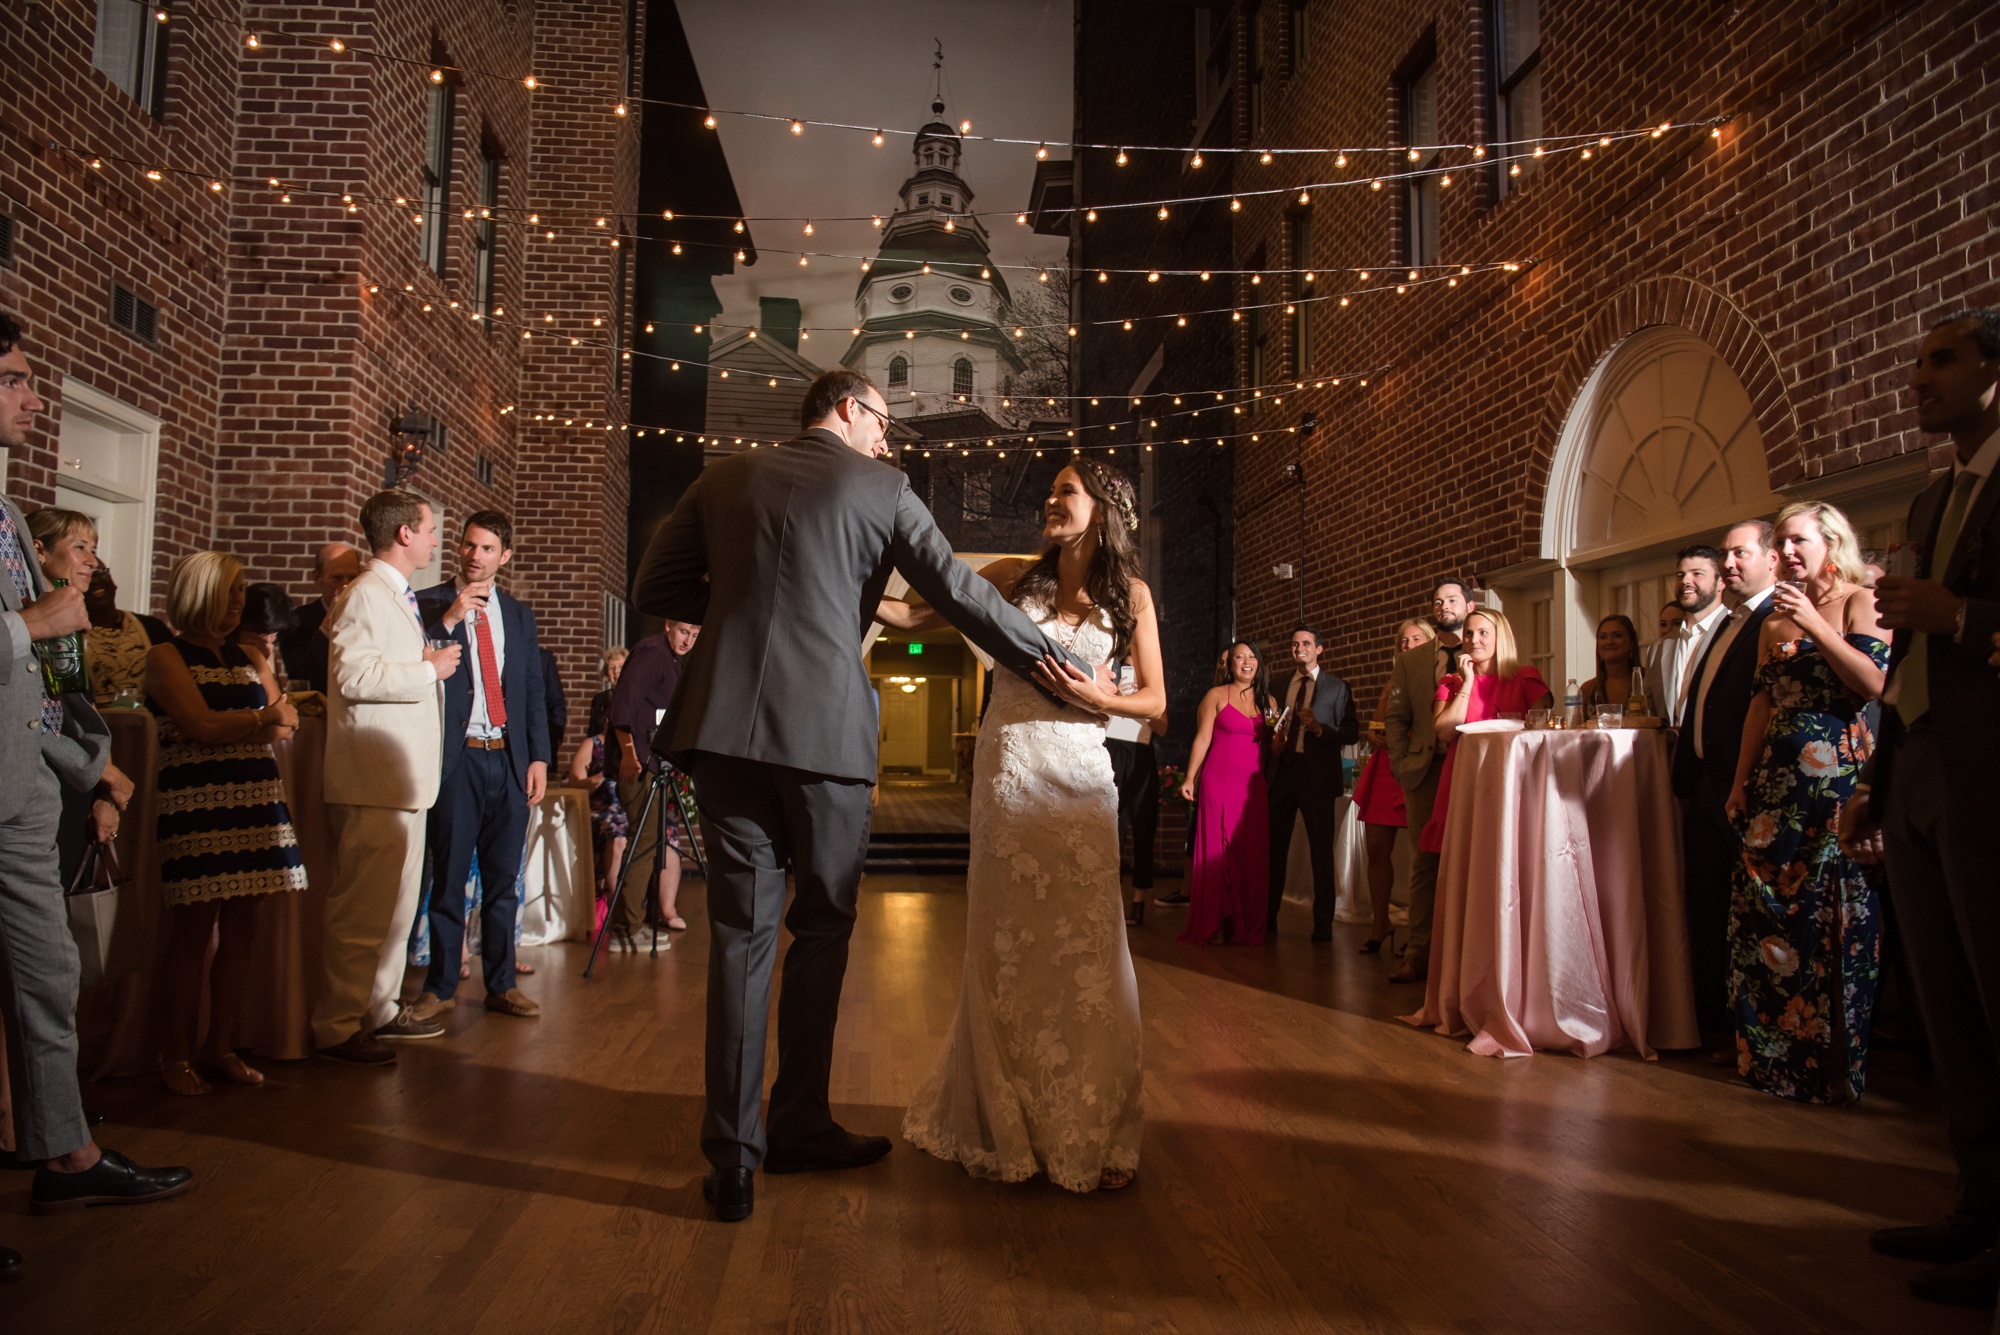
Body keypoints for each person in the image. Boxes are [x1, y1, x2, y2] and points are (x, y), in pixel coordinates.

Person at [630, 367, 1096, 1222]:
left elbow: (654, 588)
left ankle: (733, 1161)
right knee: (823, 925)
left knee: (740, 936)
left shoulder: (723, 477)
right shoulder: (883, 487)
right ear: (849, 407)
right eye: (883, 422)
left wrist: (741, 602)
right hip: (825, 737)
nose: (888, 441)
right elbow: (957, 592)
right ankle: (800, 1122)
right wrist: (1055, 662)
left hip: (725, 732)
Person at [884, 457, 1161, 1192]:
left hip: (1079, 779)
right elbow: (914, 614)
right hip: (1009, 773)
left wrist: (1097, 693)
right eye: (1051, 489)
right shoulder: (1011, 574)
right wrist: (839, 574)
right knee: (1006, 946)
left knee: (1087, 950)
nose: (1050, 499)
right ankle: (1001, 1116)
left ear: (1101, 509)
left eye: (1066, 491)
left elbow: (1158, 702)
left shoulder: (1130, 596)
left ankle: (1084, 1121)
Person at [0, 313, 190, 1248]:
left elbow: (44, 689)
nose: (35, 397)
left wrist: (89, 770)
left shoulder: (0, 511)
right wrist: (26, 626)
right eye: (17, 380)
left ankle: (65, 1156)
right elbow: (29, 649)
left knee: (50, 972)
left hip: (25, 789)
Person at [1846, 308, 2000, 1309]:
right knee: (1949, 1010)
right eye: (1914, 364)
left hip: (1988, 770)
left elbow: (1952, 626)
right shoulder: (1933, 493)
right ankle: (1977, 1205)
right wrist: (1876, 772)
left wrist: (1964, 616)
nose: (1917, 379)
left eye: (1939, 360)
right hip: (1916, 769)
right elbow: (1905, 654)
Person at [1719, 501, 1887, 1103]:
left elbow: (1873, 683)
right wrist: (1740, 782)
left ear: (1831, 541)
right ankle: (1771, 1062)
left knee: (1828, 921)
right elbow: (1762, 706)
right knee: (1765, 919)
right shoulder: (1772, 621)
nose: (1787, 552)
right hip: (1774, 790)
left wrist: (1816, 624)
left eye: (1798, 541)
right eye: (1782, 542)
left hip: (1837, 788)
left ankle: (1830, 1070)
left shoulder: (1860, 600)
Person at [144, 553, 308, 1094]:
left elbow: (288, 722)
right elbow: (200, 722)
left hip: (255, 796)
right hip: (196, 801)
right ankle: (174, 1055)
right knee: (192, 933)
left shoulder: (247, 652)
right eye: (231, 591)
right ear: (202, 592)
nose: (240, 601)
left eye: (241, 592)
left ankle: (220, 1046)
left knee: (244, 929)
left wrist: (224, 727)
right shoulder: (165, 656)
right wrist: (251, 720)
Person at [312, 490, 460, 1064]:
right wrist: (427, 668)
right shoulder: (366, 594)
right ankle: (336, 1025)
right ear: (403, 534)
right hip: (373, 781)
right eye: (427, 529)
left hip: (401, 782)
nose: (432, 539)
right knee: (361, 913)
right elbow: (353, 676)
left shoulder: (393, 594)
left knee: (395, 915)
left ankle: (378, 1010)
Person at [410, 511, 549, 1025]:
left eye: (487, 549)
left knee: (502, 884)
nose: (475, 556)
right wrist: (447, 620)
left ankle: (501, 984)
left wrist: (537, 756)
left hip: (509, 760)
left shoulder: (518, 615)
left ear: (504, 557)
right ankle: (441, 986)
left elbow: (532, 690)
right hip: (457, 758)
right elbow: (412, 662)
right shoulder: (427, 604)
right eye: (469, 545)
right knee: (446, 882)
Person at [1674, 519, 1782, 1055]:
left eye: (1740, 553)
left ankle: (1746, 1031)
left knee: (1747, 915)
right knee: (1707, 908)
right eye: (1725, 554)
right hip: (1705, 790)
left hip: (1746, 791)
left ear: (1771, 559)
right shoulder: (1727, 622)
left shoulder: (1776, 618)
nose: (1730, 563)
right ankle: (1713, 1024)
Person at [25, 510, 133, 886]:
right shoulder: (28, 621)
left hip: (74, 790)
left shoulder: (71, 619)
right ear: (39, 551)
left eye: (95, 549)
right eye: (80, 547)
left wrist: (103, 792)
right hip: (34, 791)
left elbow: (81, 714)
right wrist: (107, 773)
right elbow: (38, 720)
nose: (93, 561)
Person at [1382, 576, 1471, 984]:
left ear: (1469, 607)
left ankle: (1469, 954)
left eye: (1452, 599)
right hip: (1426, 770)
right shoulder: (1412, 661)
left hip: (1474, 768)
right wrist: (1402, 764)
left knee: (1474, 857)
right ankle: (1419, 952)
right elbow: (1396, 718)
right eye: (1437, 601)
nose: (1444, 606)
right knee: (1425, 861)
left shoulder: (1484, 649)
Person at [1419, 608, 1552, 853]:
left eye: (1483, 632)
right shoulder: (1451, 682)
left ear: (1500, 637)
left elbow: (1544, 729)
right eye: (1468, 633)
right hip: (1466, 775)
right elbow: (1445, 731)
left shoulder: (1525, 678)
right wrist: (1467, 682)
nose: (1473, 640)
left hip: (1513, 775)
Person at [606, 619, 699, 943]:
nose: (688, 640)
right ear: (669, 625)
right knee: (643, 844)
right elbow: (622, 709)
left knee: (649, 845)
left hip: (654, 766)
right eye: (684, 632)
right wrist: (630, 755)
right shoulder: (651, 651)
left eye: (695, 636)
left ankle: (634, 922)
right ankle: (626, 928)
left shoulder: (673, 658)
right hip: (638, 766)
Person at [1177, 641, 1273, 946]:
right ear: (1229, 664)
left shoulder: (1268, 701)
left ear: (1259, 663)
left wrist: (1280, 738)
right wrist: (1190, 777)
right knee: (1217, 852)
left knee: (1251, 853)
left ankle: (1245, 925)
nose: (1246, 662)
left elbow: (1274, 748)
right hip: (1219, 781)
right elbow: (1202, 738)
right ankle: (1214, 923)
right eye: (1239, 657)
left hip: (1252, 788)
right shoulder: (1216, 696)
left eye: (1251, 657)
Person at [1266, 626, 1358, 942]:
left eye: (1306, 643)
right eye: (1294, 644)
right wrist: (1272, 741)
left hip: (1317, 776)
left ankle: (1322, 924)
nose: (1299, 648)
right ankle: (1267, 919)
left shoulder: (1337, 687)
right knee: (1274, 849)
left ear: (1319, 649)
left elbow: (1350, 733)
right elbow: (1267, 724)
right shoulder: (1278, 684)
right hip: (1283, 774)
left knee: (1321, 852)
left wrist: (1319, 729)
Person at [1351, 618, 1434, 954]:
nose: (1407, 645)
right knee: (1376, 849)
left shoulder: (1436, 677)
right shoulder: (1393, 679)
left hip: (1418, 765)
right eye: (1403, 640)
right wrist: (1374, 734)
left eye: (1415, 639)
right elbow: (1379, 721)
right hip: (1385, 765)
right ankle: (1380, 922)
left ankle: (1419, 931)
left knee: (1423, 853)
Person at [1104, 656, 1165, 926]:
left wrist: (1143, 704)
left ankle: (1139, 900)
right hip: (1112, 750)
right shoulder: (1110, 673)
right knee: (1111, 831)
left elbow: (1163, 727)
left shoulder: (1153, 683)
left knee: (1143, 827)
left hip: (1141, 754)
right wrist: (1115, 697)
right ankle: (1111, 901)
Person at [276, 541, 363, 694]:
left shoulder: (369, 617)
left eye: (352, 578)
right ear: (317, 578)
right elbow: (300, 676)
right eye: (337, 578)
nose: (346, 586)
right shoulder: (297, 621)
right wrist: (326, 627)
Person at [568, 694, 628, 908]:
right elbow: (575, 782)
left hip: (625, 809)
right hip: (599, 811)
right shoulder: (592, 744)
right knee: (618, 834)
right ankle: (617, 901)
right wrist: (603, 773)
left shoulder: (628, 746)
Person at [81, 562, 169, 706]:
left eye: (101, 573)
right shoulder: (69, 637)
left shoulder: (153, 627)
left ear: (114, 584)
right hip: (100, 725)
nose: (96, 581)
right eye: (88, 577)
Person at [1656, 546, 1729, 720]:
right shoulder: (1658, 649)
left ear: (1721, 582)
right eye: (1680, 575)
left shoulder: (1735, 632)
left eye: (1697, 574)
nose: (1685, 581)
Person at [1578, 614, 1648, 711]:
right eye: (1603, 637)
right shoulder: (1587, 689)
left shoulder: (1648, 683)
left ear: (1631, 643)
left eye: (1617, 635)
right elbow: (1577, 725)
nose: (1609, 642)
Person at [234, 582, 296, 670]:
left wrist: (266, 664)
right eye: (261, 632)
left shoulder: (268, 651)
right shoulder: (219, 652)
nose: (268, 640)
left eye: (274, 633)